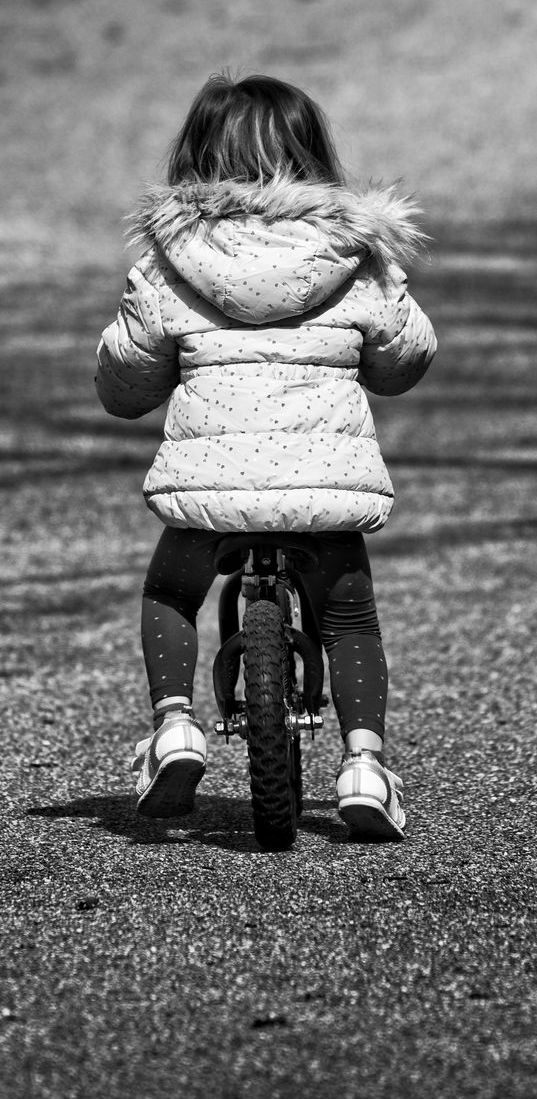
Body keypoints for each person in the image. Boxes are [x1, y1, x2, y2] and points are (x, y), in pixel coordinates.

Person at [96, 73, 436, 840]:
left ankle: (175, 726)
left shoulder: (169, 260)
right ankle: (363, 764)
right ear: (314, 157)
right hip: (320, 489)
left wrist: (128, 366)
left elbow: (126, 381)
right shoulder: (356, 254)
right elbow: (405, 359)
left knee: (172, 592)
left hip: (212, 489)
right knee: (348, 618)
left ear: (194, 157)